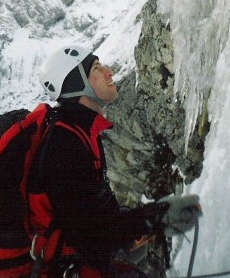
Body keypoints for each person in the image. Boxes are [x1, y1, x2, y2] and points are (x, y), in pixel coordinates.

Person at [27, 45, 202, 278]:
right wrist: (152, 219)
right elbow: (88, 233)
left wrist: (139, 224)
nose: (110, 72)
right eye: (97, 69)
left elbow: (93, 214)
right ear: (77, 84)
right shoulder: (64, 146)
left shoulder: (80, 131)